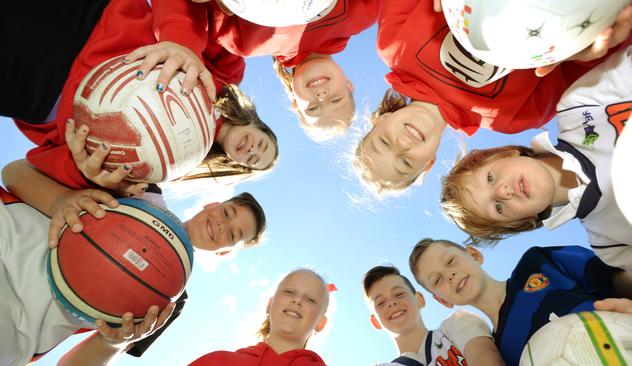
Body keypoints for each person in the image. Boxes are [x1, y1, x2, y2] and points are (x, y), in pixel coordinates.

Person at [353, 0, 632, 194]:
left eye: (384, 142)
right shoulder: (514, 117)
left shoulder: (393, 44)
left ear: (381, 119)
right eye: (406, 163)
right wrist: (591, 44)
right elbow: (587, 63)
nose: (402, 145)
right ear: (428, 163)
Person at [0, 159, 268, 364]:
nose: (222, 226)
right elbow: (13, 172)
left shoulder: (169, 302)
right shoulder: (140, 187)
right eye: (227, 212)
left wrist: (113, 342)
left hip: (15, 327)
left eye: (233, 234)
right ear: (211, 204)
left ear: (224, 252)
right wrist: (62, 200)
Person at [13, 0, 277, 196]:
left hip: (39, 94)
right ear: (256, 123)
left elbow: (47, 166)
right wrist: (180, 41)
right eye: (262, 144)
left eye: (252, 161)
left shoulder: (163, 170)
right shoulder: (227, 73)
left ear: (234, 165)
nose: (252, 150)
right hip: (89, 17)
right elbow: (198, 5)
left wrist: (85, 173)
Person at [439, 44, 632, 279]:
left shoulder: (577, 105)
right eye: (497, 207)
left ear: (506, 153)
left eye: (490, 178)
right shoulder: (611, 245)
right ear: (520, 222)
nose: (502, 191)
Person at [125, 0, 378, 140]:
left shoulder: (243, 43)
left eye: (313, 108)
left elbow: (190, 7)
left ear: (295, 102)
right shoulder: (364, 13)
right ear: (349, 84)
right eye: (336, 99)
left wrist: (179, 41)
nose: (321, 97)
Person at [408, 238, 632, 366]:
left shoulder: (537, 262)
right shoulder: (498, 353)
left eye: (450, 261)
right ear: (442, 300)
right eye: (437, 280)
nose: (449, 275)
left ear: (474, 255)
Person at [362, 265, 503, 365]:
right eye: (380, 303)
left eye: (399, 294)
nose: (392, 303)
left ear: (419, 299)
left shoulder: (456, 324)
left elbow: (483, 355)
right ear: (375, 321)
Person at [189, 268, 332, 366]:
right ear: (270, 305)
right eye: (289, 291)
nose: (297, 300)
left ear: (320, 323)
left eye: (310, 300)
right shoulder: (217, 361)